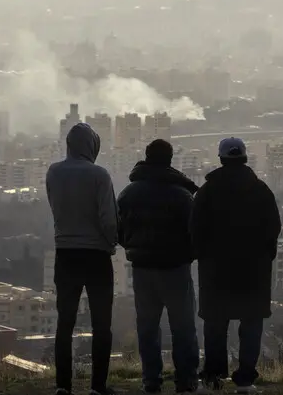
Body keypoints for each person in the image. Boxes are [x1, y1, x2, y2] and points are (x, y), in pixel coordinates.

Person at [190, 137, 282, 394]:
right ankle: (245, 380)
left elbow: (195, 230)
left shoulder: (207, 192)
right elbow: (273, 228)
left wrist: (204, 257)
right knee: (251, 324)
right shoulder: (261, 190)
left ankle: (213, 378)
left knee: (215, 325)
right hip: (254, 273)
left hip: (216, 273)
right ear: (244, 158)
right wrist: (265, 258)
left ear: (221, 159)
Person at [118, 139, 200, 394]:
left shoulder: (129, 193)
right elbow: (196, 233)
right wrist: (188, 254)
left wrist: (133, 249)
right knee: (183, 326)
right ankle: (186, 380)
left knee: (148, 326)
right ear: (170, 159)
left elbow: (118, 230)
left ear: (147, 157)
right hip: (175, 269)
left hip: (142, 270)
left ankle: (151, 380)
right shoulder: (183, 195)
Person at [46, 123, 119, 395]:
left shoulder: (54, 172)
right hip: (97, 256)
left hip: (65, 254)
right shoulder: (99, 175)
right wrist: (112, 242)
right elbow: (108, 219)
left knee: (65, 321)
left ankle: (63, 385)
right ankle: (97, 386)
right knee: (102, 323)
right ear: (92, 146)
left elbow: (56, 207)